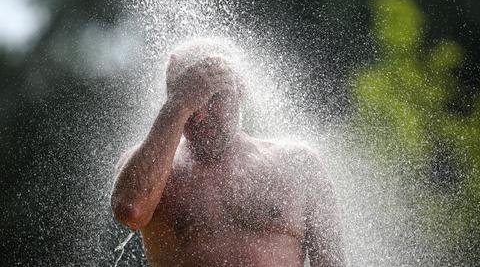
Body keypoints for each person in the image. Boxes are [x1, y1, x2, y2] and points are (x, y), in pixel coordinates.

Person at [111, 39, 346, 267]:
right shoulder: (149, 167)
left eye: (213, 96)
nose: (199, 114)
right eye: (188, 98)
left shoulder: (299, 165)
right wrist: (180, 104)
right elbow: (131, 210)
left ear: (240, 88)